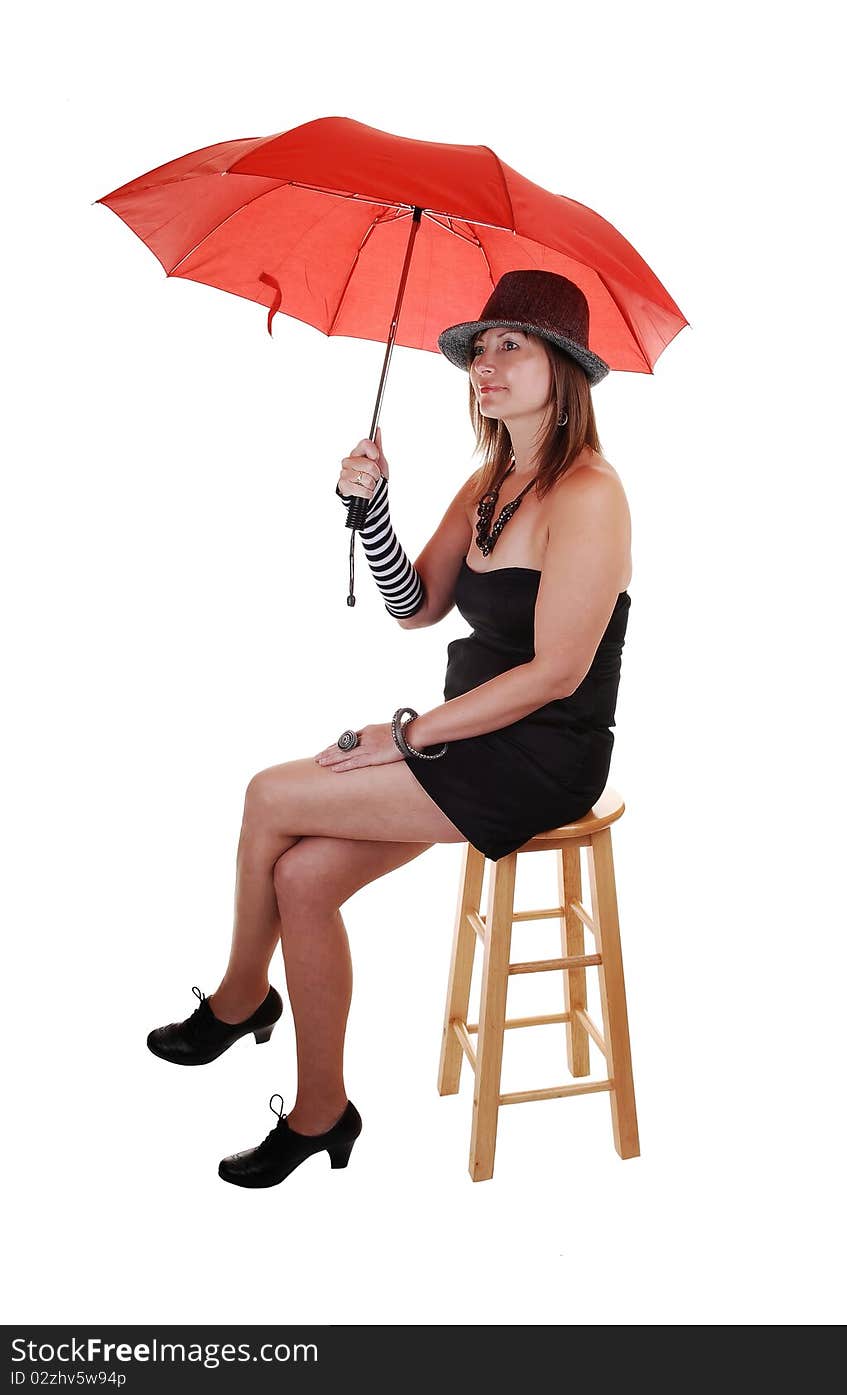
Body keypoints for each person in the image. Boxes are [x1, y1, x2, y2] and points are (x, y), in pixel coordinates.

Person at [146, 270, 632, 1189]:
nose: (484, 365)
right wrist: (369, 508)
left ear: (563, 368)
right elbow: (418, 607)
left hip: (540, 754)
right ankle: (323, 1110)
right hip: (467, 737)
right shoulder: (492, 480)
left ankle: (244, 997)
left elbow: (557, 672)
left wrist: (405, 735)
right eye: (479, 347)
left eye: (509, 346)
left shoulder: (591, 494)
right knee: (298, 874)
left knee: (267, 792)